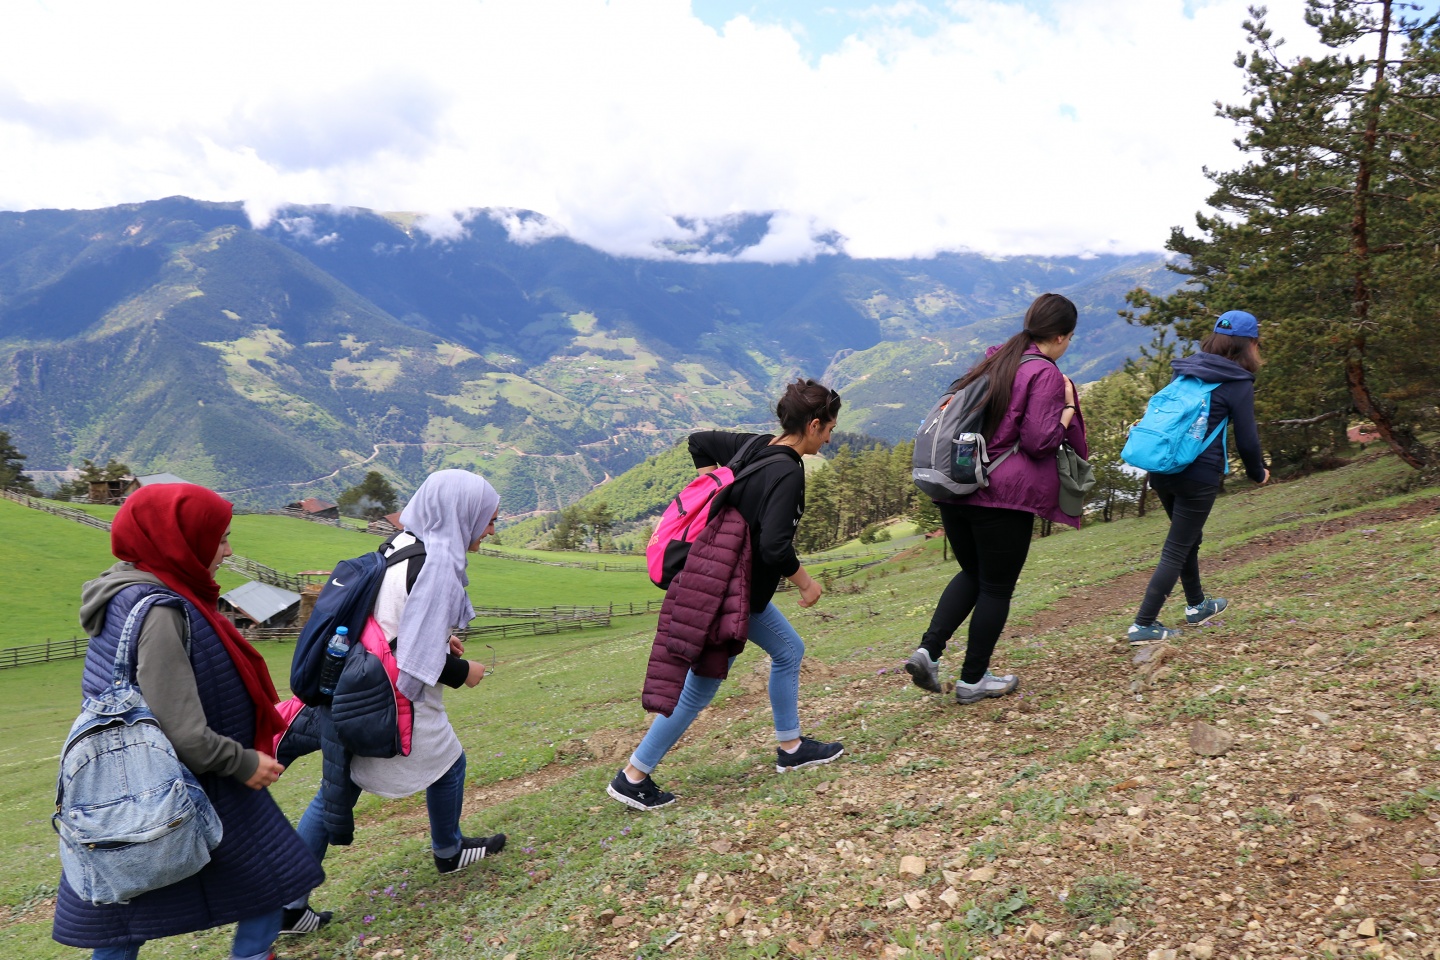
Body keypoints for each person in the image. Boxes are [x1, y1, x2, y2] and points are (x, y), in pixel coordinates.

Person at [52, 484, 324, 960]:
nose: (228, 550)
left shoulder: (124, 589)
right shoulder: (158, 609)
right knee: (266, 880)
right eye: (219, 539)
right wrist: (240, 762)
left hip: (140, 787)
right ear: (179, 540)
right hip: (193, 781)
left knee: (129, 905)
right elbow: (178, 727)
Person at [607, 379, 846, 811]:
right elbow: (775, 546)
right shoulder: (787, 472)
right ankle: (633, 775)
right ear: (813, 425)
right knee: (698, 689)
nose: (830, 436)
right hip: (728, 594)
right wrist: (806, 583)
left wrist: (714, 486)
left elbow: (699, 441)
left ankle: (791, 748)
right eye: (829, 427)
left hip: (719, 582)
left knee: (789, 649)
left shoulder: (752, 446)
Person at [281, 470, 506, 927]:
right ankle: (448, 851)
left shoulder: (405, 545)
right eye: (487, 519)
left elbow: (391, 620)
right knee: (427, 768)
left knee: (339, 788)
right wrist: (466, 672)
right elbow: (416, 660)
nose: (490, 529)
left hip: (361, 683)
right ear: (460, 514)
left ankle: (288, 905)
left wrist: (440, 639)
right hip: (392, 695)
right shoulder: (436, 566)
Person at [904, 293, 1089, 704]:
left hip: (958, 487)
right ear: (1060, 336)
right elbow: (1039, 442)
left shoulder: (994, 360)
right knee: (996, 587)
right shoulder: (1042, 373)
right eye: (1070, 337)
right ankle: (973, 679)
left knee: (973, 573)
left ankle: (928, 652)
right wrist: (1067, 413)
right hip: (1003, 496)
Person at [1126, 310, 1269, 644]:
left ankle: (1196, 606)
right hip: (1197, 475)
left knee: (1187, 539)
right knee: (1176, 548)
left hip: (1162, 469)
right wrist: (1257, 473)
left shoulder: (1188, 369)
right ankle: (1143, 624)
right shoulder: (1237, 382)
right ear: (1248, 345)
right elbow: (1248, 439)